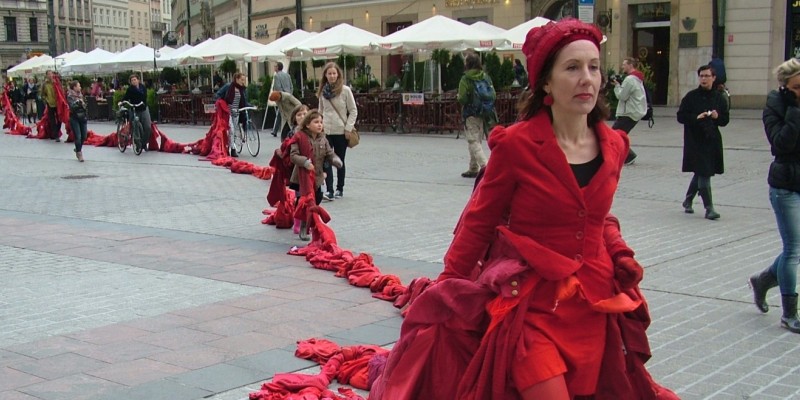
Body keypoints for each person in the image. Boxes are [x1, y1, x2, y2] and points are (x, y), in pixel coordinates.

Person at [371, 19, 677, 400]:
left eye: (593, 67)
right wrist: (447, 287)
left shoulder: (614, 145)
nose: (587, 78)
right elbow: (479, 222)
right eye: (572, 67)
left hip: (594, 305)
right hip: (531, 307)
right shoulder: (516, 145)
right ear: (546, 82)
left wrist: (619, 252)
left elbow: (598, 217)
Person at [750, 58, 800, 334]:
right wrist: (794, 111)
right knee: (793, 249)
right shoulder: (776, 105)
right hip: (785, 186)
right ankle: (790, 313)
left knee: (797, 248)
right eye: (797, 87)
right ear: (786, 87)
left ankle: (765, 280)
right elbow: (781, 143)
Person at [677, 65, 729, 220]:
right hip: (695, 140)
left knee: (701, 171)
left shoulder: (719, 97)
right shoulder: (691, 96)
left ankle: (688, 200)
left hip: (711, 140)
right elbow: (681, 116)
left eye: (707, 76)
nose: (704, 79)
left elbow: (725, 120)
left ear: (713, 78)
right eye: (701, 76)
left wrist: (716, 117)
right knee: (704, 172)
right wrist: (695, 118)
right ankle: (709, 208)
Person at [289, 109, 342, 240]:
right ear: (307, 124)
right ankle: (303, 225)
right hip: (302, 177)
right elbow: (293, 156)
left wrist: (335, 160)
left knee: (317, 199)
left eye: (321, 122)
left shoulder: (323, 139)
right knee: (305, 202)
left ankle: (310, 222)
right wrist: (305, 162)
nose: (320, 125)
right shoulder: (299, 137)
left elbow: (329, 153)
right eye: (316, 122)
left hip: (317, 177)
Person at [317, 62, 357, 200]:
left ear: (338, 74)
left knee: (339, 160)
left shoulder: (345, 90)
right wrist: (318, 126)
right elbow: (320, 111)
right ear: (325, 75)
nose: (332, 76)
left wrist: (348, 128)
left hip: (341, 131)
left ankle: (340, 188)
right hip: (326, 131)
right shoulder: (323, 91)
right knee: (326, 160)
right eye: (329, 74)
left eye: (334, 73)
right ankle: (329, 190)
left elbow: (353, 110)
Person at [457, 52, 495, 178]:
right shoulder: (485, 76)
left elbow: (462, 98)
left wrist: (460, 98)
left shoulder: (465, 78)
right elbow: (493, 94)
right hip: (486, 112)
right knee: (476, 139)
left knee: (473, 140)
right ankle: (473, 168)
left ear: (467, 64)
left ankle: (485, 166)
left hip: (471, 112)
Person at [612, 57, 647, 165]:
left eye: (624, 64)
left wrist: (617, 86)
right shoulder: (637, 79)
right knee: (618, 135)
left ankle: (628, 156)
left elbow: (622, 96)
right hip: (634, 112)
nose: (622, 66)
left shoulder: (630, 79)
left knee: (614, 135)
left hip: (628, 112)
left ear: (630, 65)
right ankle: (627, 156)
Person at [216, 72, 250, 157]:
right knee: (231, 130)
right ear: (237, 79)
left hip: (237, 112)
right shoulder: (229, 86)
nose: (243, 82)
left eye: (244, 80)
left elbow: (244, 102)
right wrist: (220, 103)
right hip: (228, 112)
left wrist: (252, 106)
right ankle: (233, 150)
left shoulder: (242, 89)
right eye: (242, 80)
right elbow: (218, 95)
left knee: (235, 131)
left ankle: (231, 145)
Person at [120, 74, 153, 151]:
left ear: (138, 80)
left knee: (148, 127)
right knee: (135, 126)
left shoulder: (143, 88)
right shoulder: (130, 89)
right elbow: (126, 97)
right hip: (134, 109)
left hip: (143, 108)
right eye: (132, 80)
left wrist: (142, 103)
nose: (134, 81)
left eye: (135, 80)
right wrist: (121, 102)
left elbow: (144, 97)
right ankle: (138, 144)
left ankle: (143, 143)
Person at [67, 80, 88, 162]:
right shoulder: (70, 96)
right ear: (74, 87)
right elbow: (72, 106)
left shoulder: (81, 95)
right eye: (79, 86)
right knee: (78, 136)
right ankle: (79, 153)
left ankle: (77, 148)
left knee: (84, 136)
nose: (80, 87)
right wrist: (78, 103)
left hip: (83, 117)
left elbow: (85, 106)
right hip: (74, 118)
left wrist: (83, 104)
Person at [272, 62, 294, 137]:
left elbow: (277, 88)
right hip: (289, 96)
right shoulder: (287, 75)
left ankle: (287, 129)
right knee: (282, 113)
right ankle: (275, 130)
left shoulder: (277, 76)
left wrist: (281, 96)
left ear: (278, 67)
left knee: (282, 113)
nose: (274, 68)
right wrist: (289, 95)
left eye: (275, 66)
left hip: (282, 97)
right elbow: (291, 86)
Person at [41, 70, 62, 141]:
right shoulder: (45, 84)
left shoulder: (56, 82)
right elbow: (42, 94)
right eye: (49, 74)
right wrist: (46, 100)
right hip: (50, 103)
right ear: (46, 75)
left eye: (51, 74)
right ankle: (56, 135)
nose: (50, 75)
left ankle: (56, 132)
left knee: (60, 119)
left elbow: (61, 91)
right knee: (52, 120)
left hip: (58, 103)